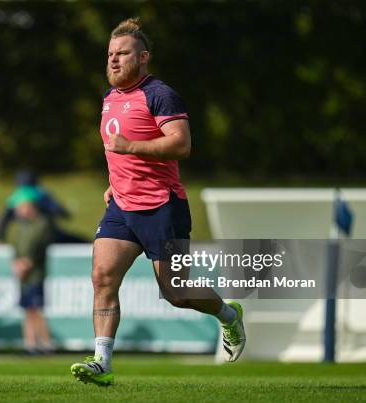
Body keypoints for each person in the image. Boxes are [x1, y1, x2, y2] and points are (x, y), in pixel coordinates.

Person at [70, 18, 246, 386]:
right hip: (121, 207)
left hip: (162, 206)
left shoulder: (160, 94)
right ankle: (102, 361)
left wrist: (131, 147)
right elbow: (119, 155)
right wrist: (112, 182)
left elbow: (180, 144)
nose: (114, 61)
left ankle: (228, 315)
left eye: (123, 53)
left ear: (143, 57)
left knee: (176, 291)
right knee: (102, 276)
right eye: (110, 55)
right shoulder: (108, 98)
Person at [8, 186, 54, 355]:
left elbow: (39, 246)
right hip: (23, 275)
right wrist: (16, 263)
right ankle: (30, 344)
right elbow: (16, 248)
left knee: (36, 308)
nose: (19, 211)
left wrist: (28, 262)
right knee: (27, 309)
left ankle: (46, 344)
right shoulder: (20, 226)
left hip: (35, 274)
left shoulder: (42, 223)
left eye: (21, 207)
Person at [0, 170, 88, 244]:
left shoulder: (14, 198)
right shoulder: (42, 194)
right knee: (84, 242)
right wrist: (65, 214)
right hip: (49, 238)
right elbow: (59, 211)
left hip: (24, 240)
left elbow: (3, 220)